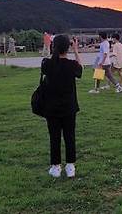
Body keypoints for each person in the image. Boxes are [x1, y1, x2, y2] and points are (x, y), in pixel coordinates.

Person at [40, 35, 82, 178]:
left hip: (51, 108)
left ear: (54, 47)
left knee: (54, 137)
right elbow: (80, 70)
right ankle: (70, 167)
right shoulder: (72, 65)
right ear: (68, 47)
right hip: (69, 107)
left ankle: (56, 167)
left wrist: (46, 46)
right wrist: (76, 50)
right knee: (70, 136)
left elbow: (44, 63)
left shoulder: (49, 64)